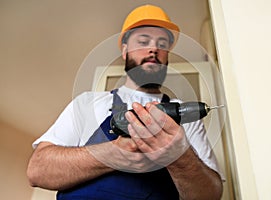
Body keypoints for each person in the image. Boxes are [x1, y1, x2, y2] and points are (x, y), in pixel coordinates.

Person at [27, 4, 223, 200]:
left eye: (162, 44)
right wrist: (113, 154)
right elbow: (37, 170)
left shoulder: (183, 115)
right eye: (144, 41)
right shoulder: (87, 103)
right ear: (125, 50)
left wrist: (179, 157)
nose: (154, 49)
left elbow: (211, 195)